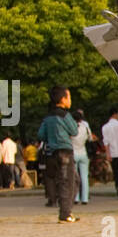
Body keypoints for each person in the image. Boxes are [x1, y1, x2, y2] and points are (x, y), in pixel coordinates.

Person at [37, 87, 79, 222]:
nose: (70, 100)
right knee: (68, 182)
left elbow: (41, 135)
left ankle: (66, 211)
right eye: (69, 97)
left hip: (53, 153)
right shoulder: (65, 115)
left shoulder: (47, 117)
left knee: (67, 180)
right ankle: (65, 213)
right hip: (65, 151)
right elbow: (74, 130)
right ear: (63, 99)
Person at [69, 110, 94, 204]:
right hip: (83, 152)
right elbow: (90, 138)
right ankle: (85, 198)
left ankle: (76, 197)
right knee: (84, 177)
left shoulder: (71, 128)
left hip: (73, 153)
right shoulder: (85, 127)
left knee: (74, 177)